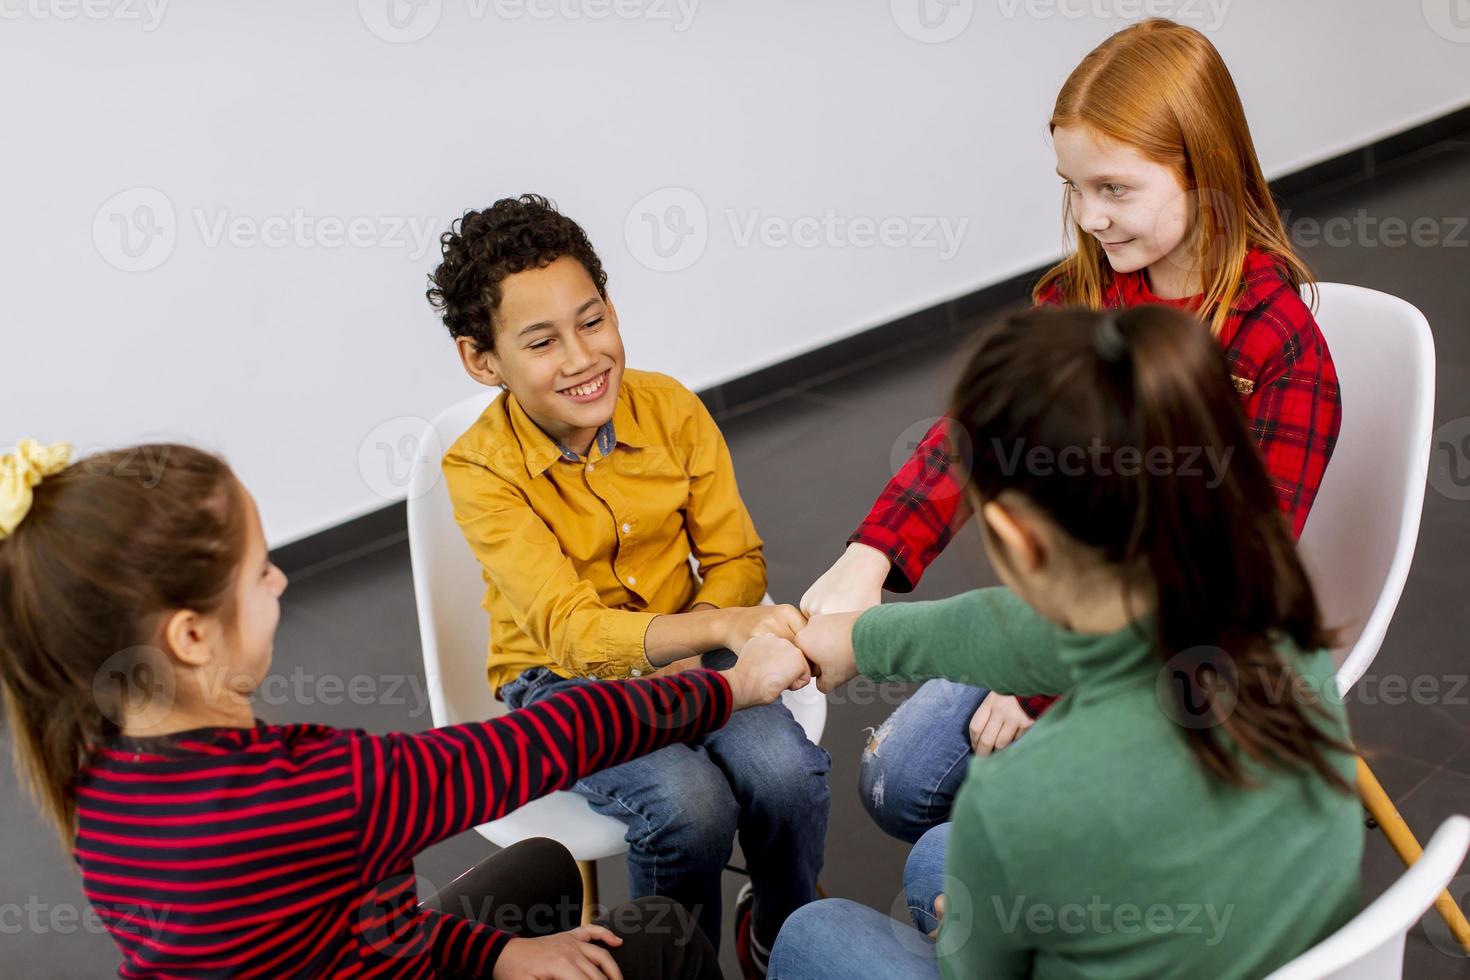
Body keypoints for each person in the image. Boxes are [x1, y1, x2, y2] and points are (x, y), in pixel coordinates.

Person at [801, 18, 1342, 845]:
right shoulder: (1083, 293)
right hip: (1067, 615)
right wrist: (870, 552)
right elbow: (973, 436)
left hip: (1178, 652)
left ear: (1204, 171)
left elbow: (1224, 590)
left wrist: (1037, 686)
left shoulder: (1280, 351)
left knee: (948, 848)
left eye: (1115, 189)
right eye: (1072, 186)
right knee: (896, 781)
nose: (1088, 216)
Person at [0, 439, 813, 978]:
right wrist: (732, 685)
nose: (281, 582)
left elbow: (344, 933)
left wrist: (496, 958)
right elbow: (554, 738)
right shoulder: (321, 787)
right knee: (661, 941)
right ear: (188, 635)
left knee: (539, 869)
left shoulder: (95, 782)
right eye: (259, 573)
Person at [773, 304, 1361, 978]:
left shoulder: (1018, 803)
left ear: (1019, 539)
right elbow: (1028, 634)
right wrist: (863, 637)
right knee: (942, 854)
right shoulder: (1275, 622)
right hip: (1284, 953)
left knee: (816, 934)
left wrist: (964, 933)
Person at [428, 194, 830, 975]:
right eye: (541, 342)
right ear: (482, 360)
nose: (581, 358)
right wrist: (712, 635)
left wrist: (708, 623)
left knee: (783, 773)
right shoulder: (477, 467)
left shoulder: (671, 408)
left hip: (695, 636)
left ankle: (786, 934)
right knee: (689, 806)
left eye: (592, 319)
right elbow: (574, 632)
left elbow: (735, 558)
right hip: (560, 681)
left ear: (611, 307)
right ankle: (682, 965)